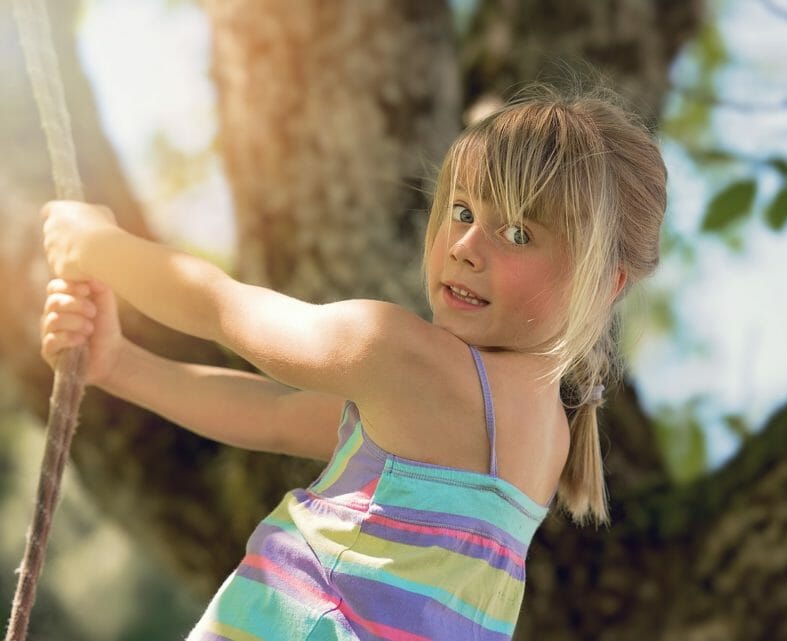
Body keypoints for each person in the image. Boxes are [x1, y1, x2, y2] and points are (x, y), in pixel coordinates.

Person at [39, 83, 667, 640]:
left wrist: (98, 247)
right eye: (463, 211)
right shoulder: (543, 439)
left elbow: (223, 310)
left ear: (604, 285)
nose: (466, 247)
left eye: (520, 233)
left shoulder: (406, 358)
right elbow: (279, 417)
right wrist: (120, 365)